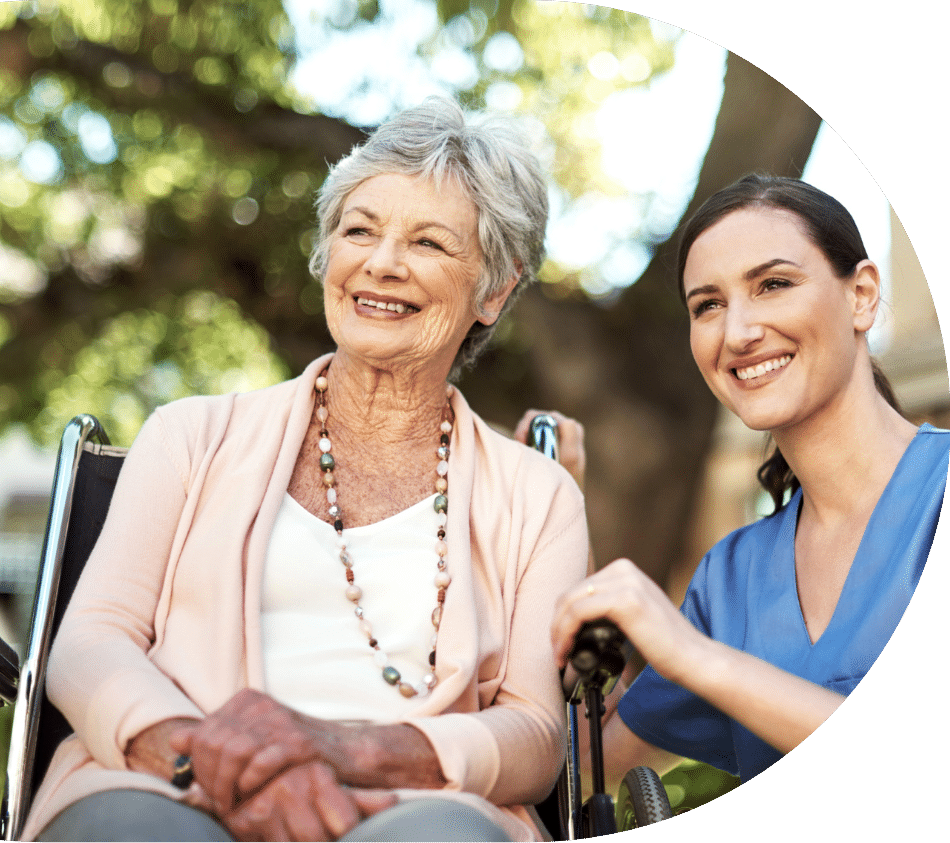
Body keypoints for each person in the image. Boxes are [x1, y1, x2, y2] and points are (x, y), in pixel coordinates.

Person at [24, 97, 589, 842]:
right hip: (168, 783)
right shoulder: (191, 434)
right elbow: (91, 640)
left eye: (428, 243)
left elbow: (536, 733)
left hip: (413, 807)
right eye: (359, 230)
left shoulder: (538, 494)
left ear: (494, 289)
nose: (381, 263)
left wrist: (342, 752)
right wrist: (216, 767)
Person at [542, 174, 949, 790]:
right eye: (708, 305)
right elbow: (592, 772)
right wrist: (559, 509)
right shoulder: (731, 578)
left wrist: (698, 658)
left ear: (862, 295)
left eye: (774, 285)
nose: (737, 333)